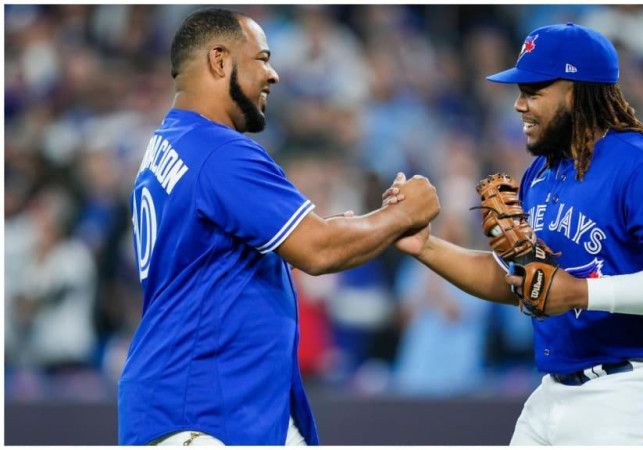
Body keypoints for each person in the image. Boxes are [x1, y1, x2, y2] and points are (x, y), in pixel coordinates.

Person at [384, 23, 643, 445]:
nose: (520, 105)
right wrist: (426, 247)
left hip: (637, 384)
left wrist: (580, 293)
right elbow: (516, 281)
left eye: (534, 91)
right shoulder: (540, 174)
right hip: (555, 389)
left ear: (577, 92)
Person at [118, 8, 439, 446]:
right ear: (219, 61)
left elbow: (256, 254)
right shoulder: (219, 152)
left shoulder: (168, 145)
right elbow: (319, 250)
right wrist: (405, 213)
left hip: (204, 403)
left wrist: (362, 228)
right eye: (261, 58)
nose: (273, 75)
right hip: (203, 409)